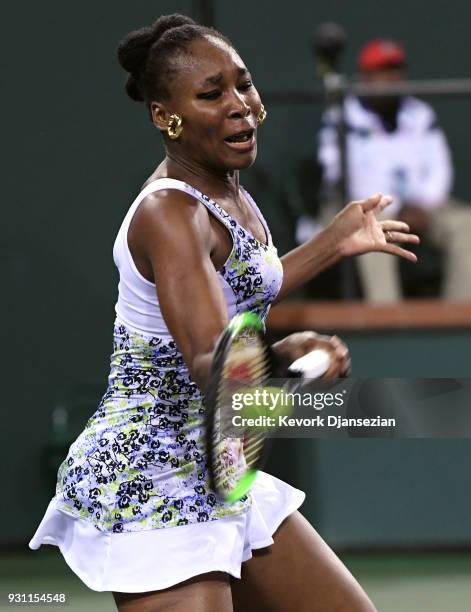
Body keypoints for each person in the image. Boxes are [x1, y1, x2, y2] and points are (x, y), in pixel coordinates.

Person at [29, 15, 418, 611]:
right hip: (150, 479)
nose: (241, 105)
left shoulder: (225, 188)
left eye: (244, 84)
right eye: (212, 94)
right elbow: (214, 358)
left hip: (220, 459)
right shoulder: (170, 214)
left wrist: (334, 242)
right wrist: (284, 356)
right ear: (166, 117)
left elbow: (244, 287)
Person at [315, 38, 471, 302]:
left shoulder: (420, 113)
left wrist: (422, 203)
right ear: (365, 77)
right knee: (373, 233)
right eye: (381, 71)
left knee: (465, 224)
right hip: (365, 206)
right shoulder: (343, 115)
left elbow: (440, 169)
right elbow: (345, 176)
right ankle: (387, 320)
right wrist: (397, 208)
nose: (390, 78)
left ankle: (458, 318)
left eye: (395, 70)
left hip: (422, 205)